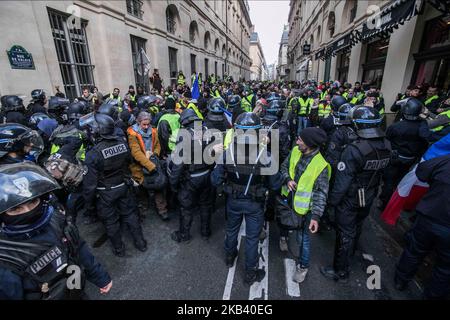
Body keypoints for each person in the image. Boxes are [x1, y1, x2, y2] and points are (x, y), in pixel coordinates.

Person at [0, 163, 112, 300]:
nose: (28, 211)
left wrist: (100, 277)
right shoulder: (5, 257)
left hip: (77, 291)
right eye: (16, 209)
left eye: (33, 201)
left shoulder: (56, 219)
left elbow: (79, 248)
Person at [211, 112, 284, 286]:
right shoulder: (265, 155)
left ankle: (230, 257)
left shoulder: (227, 153)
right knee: (252, 239)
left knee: (231, 231)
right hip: (254, 204)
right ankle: (250, 274)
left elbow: (215, 180)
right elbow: (275, 185)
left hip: (233, 201)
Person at [320, 106, 391, 283]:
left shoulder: (354, 149)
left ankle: (341, 271)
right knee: (357, 226)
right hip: (369, 194)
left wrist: (331, 203)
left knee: (345, 233)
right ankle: (351, 253)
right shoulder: (387, 145)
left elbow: (342, 183)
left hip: (350, 197)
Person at [81, 113, 147, 257]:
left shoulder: (93, 153)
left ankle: (119, 249)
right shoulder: (122, 143)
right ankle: (140, 243)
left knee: (111, 222)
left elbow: (89, 185)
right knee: (131, 215)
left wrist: (89, 205)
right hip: (124, 186)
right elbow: (129, 162)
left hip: (105, 193)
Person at [394, 154, 450, 299]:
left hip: (430, 216)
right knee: (445, 269)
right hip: (435, 221)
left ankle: (400, 280)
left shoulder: (445, 160)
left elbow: (423, 171)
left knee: (414, 251)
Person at [278, 127, 330, 282]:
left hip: (305, 210)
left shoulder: (321, 165)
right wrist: (287, 179)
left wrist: (316, 216)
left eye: (300, 139)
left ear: (310, 144)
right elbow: (283, 167)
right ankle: (283, 237)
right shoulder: (295, 150)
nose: (297, 141)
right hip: (288, 201)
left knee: (303, 240)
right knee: (284, 222)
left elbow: (321, 193)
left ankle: (303, 267)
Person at [168, 109, 214, 242]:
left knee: (186, 209)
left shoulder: (185, 135)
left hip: (191, 178)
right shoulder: (207, 130)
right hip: (207, 175)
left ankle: (184, 235)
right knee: (205, 205)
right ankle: (206, 232)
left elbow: (178, 164)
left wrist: (173, 184)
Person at [378, 98, 429, 210]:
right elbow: (425, 140)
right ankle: (394, 201)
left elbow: (386, 141)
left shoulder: (395, 126)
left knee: (389, 181)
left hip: (395, 158)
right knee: (399, 180)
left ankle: (384, 204)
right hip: (410, 159)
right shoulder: (422, 125)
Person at [128, 111, 169, 221]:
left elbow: (157, 145)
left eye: (148, 124)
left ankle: (162, 210)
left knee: (158, 187)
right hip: (139, 166)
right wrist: (150, 164)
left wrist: (154, 154)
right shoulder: (132, 134)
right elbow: (136, 153)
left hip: (153, 162)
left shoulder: (154, 131)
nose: (146, 127)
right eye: (144, 124)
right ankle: (143, 209)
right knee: (142, 190)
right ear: (138, 122)